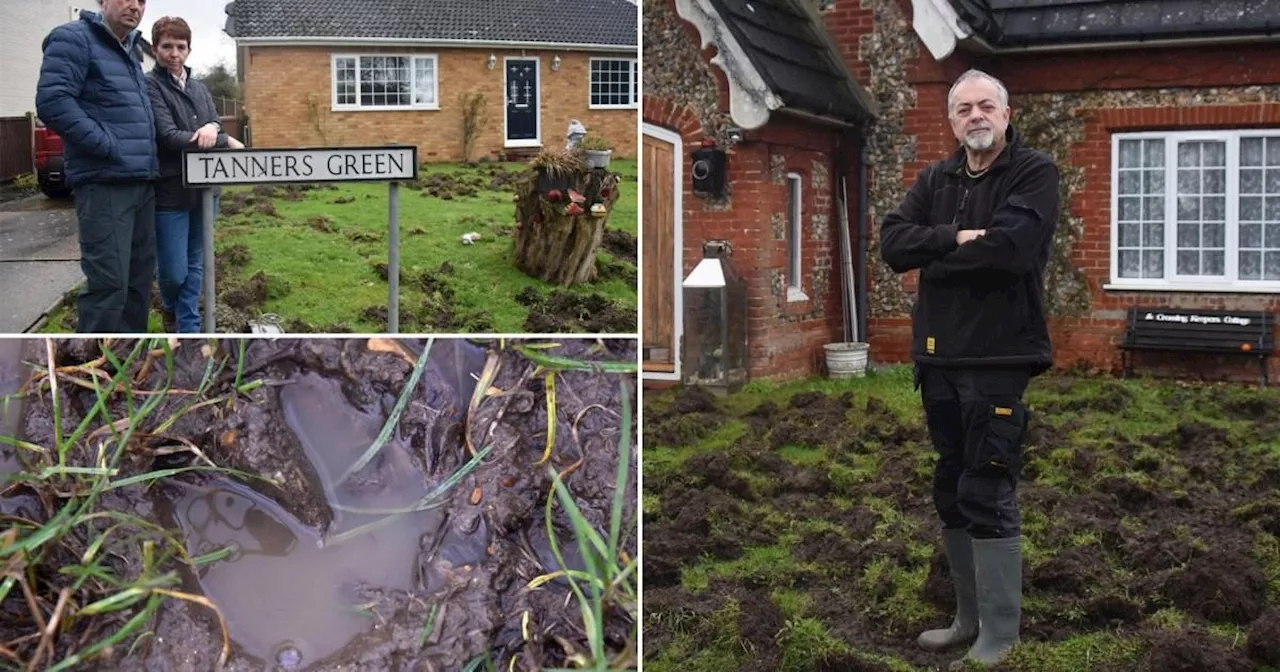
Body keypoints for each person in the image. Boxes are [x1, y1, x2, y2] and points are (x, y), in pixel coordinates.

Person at [878, 68, 1060, 669]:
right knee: (951, 483)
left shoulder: (1033, 173)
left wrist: (937, 255)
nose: (975, 116)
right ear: (951, 120)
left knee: (986, 484)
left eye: (986, 106)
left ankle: (1000, 634)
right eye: (963, 109)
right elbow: (893, 245)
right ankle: (967, 617)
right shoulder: (939, 177)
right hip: (940, 356)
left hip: (999, 357)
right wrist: (957, 239)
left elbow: (1010, 252)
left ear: (1006, 114)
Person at [36, 0, 158, 333]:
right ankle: (90, 374)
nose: (135, 6)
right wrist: (106, 145)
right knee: (108, 287)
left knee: (138, 284)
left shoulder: (130, 53)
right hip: (105, 183)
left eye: (142, 0)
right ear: (102, 1)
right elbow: (53, 101)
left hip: (142, 182)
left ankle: (131, 366)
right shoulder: (74, 38)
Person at [146, 16, 244, 333]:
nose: (174, 54)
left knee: (195, 262)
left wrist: (211, 127)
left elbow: (214, 119)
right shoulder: (150, 86)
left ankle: (188, 325)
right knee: (173, 270)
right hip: (171, 193)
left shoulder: (200, 88)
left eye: (180, 47)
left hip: (207, 190)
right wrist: (223, 138)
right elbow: (169, 136)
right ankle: (171, 308)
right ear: (155, 48)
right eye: (167, 47)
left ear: (189, 49)